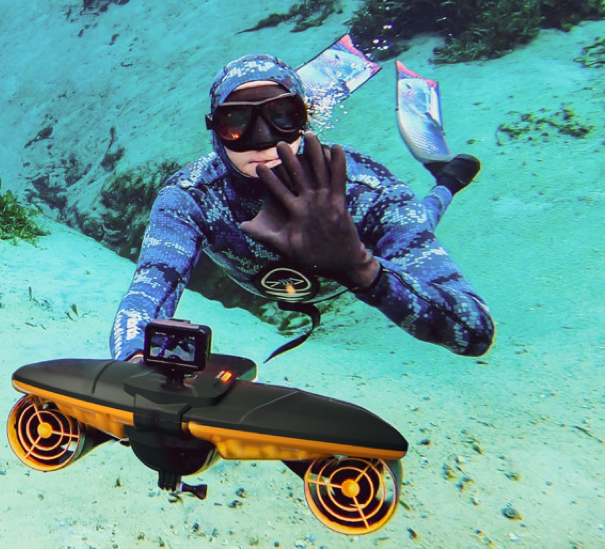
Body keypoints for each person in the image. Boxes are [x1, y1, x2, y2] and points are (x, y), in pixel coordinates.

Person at [110, 54, 494, 363]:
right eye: (236, 123)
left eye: (281, 117)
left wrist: (362, 269)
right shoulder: (193, 196)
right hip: (289, 284)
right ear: (215, 130)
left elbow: (475, 332)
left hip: (350, 269)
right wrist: (134, 360)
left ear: (303, 119)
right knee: (413, 221)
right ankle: (447, 180)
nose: (261, 141)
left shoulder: (366, 191)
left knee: (421, 217)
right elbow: (151, 285)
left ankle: (448, 182)